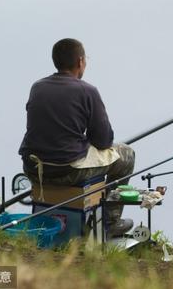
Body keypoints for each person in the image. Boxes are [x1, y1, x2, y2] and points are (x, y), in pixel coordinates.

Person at [19, 38, 135, 236]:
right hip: (66, 171)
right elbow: (103, 141)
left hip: (33, 168)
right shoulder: (87, 90)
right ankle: (110, 222)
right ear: (80, 61)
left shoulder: (37, 87)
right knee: (126, 155)